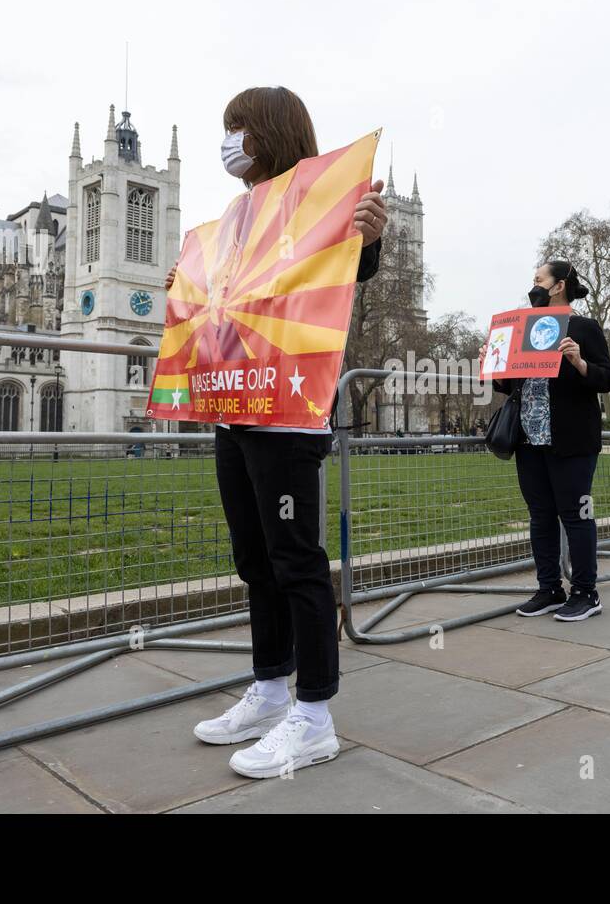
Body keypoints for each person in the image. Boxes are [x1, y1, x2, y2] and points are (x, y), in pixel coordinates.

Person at [164, 87, 387, 779]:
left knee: (296, 561)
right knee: (253, 559)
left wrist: (368, 238)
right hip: (235, 407)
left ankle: (315, 716)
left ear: (267, 133)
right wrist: (183, 288)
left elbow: (338, 273)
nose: (228, 141)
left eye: (237, 128)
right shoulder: (233, 217)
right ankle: (267, 689)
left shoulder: (317, 199)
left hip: (288, 415)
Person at [482, 260, 610, 621]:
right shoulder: (525, 328)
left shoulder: (584, 328)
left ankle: (586, 592)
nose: (534, 285)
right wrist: (494, 366)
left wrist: (579, 362)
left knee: (576, 516)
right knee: (540, 516)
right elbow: (511, 385)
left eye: (539, 279)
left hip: (571, 440)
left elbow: (607, 378)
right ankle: (549, 589)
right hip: (529, 440)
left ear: (558, 286)